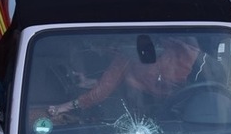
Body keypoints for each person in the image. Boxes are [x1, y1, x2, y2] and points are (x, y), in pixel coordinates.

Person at [48, 36, 203, 118]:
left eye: (97, 47)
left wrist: (64, 107)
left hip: (173, 107)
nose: (98, 51)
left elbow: (101, 92)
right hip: (187, 107)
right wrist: (92, 82)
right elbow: (106, 86)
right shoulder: (185, 48)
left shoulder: (125, 56)